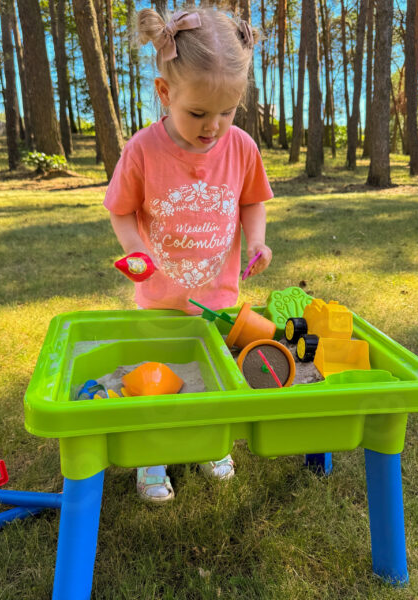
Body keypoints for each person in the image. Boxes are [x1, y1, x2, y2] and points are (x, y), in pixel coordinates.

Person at [104, 6, 273, 503]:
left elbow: (252, 201)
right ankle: (152, 457)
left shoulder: (241, 147)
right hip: (160, 298)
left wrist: (257, 241)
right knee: (157, 377)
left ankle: (209, 443)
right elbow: (120, 210)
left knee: (212, 376)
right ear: (165, 92)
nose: (212, 126)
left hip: (217, 296)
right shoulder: (142, 151)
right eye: (198, 113)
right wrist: (136, 249)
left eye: (226, 111)